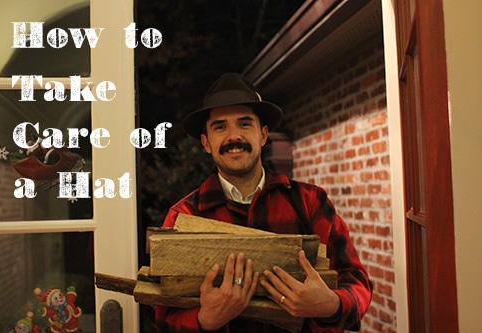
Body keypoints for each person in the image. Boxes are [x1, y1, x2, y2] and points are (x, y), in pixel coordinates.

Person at [155, 73, 372, 332]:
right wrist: (205, 320)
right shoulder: (183, 217)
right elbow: (162, 317)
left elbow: (357, 284)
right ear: (206, 143)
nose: (233, 136)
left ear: (263, 135)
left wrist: (331, 305)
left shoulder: (310, 202)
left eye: (245, 124)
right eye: (220, 126)